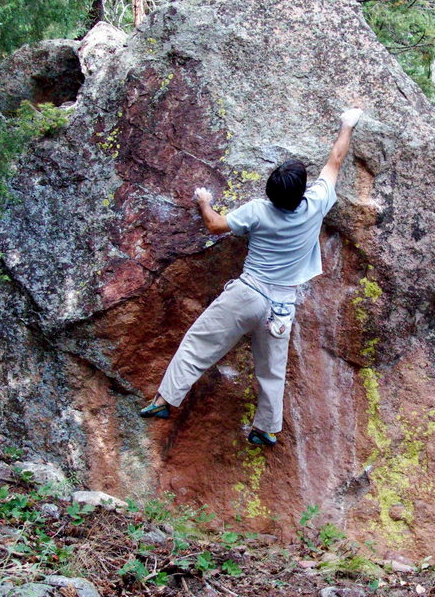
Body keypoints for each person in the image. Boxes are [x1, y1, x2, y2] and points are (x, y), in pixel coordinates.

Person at [139, 107, 364, 446]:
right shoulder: (317, 203)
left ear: (271, 192)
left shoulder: (259, 211)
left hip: (248, 293)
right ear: (301, 190)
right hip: (282, 305)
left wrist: (204, 201)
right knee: (272, 371)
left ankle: (164, 401)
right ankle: (267, 428)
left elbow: (215, 225)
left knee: (199, 342)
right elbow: (335, 160)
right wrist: (347, 123)